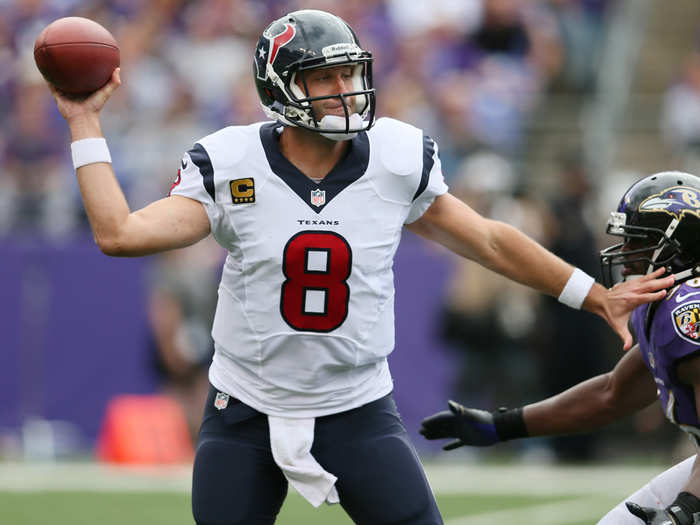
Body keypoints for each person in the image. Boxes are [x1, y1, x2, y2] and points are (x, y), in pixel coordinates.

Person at [47, 9, 673, 525]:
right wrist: (84, 120)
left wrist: (595, 296)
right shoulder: (231, 162)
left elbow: (486, 239)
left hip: (354, 407)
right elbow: (119, 234)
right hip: (244, 407)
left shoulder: (394, 158)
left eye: (350, 73)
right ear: (280, 89)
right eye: (326, 78)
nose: (347, 90)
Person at [420, 171, 700, 525]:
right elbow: (611, 394)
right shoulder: (665, 304)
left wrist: (686, 509)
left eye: (638, 240)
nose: (625, 252)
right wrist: (502, 425)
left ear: (681, 246)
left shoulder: (688, 312)